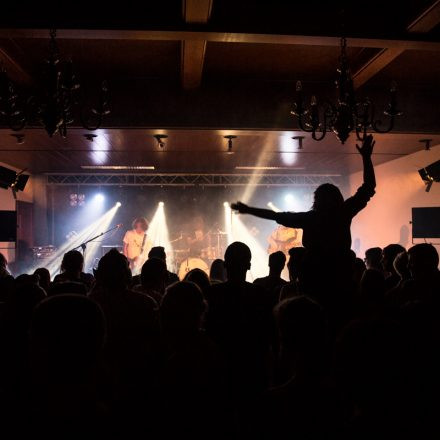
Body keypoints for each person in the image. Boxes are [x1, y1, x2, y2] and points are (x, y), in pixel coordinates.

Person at [232, 135, 376, 301]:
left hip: (314, 280)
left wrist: (248, 210)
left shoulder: (310, 218)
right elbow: (368, 188)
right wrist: (366, 157)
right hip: (341, 277)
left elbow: (276, 216)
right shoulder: (342, 213)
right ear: (337, 198)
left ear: (316, 200)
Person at [205, 242, 273, 436]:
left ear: (225, 265)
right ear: (249, 265)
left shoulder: (211, 294)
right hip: (254, 370)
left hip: (220, 372)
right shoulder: (261, 294)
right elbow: (269, 336)